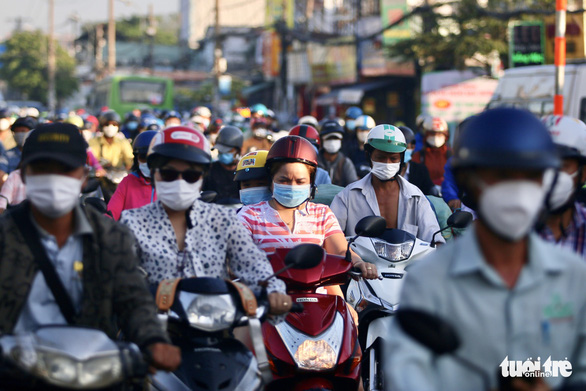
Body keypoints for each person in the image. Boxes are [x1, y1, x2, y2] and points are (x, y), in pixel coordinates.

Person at [385, 108, 586, 391]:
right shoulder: (428, 282)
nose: (516, 188)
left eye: (529, 175)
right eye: (501, 174)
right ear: (469, 180)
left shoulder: (573, 275)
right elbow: (408, 378)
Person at [0, 122, 180, 373]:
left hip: (93, 368)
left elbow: (134, 301)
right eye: (43, 169)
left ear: (82, 176)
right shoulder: (4, 235)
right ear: (25, 175)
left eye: (65, 169)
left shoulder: (109, 237)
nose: (54, 178)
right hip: (17, 370)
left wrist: (154, 341)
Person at [120, 126, 291, 316]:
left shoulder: (223, 221)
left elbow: (254, 265)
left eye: (190, 175)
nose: (179, 182)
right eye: (169, 174)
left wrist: (274, 291)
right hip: (153, 328)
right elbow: (119, 278)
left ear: (202, 179)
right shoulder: (132, 223)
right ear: (153, 175)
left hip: (215, 325)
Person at [238, 135, 377, 280]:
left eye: (300, 181)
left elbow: (341, 250)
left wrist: (359, 262)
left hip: (316, 297)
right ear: (271, 180)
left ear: (311, 182)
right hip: (270, 296)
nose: (292, 186)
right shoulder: (250, 215)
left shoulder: (322, 214)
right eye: (283, 180)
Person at [331, 124, 443, 243]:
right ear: (368, 156)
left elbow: (435, 239)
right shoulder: (348, 196)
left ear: (401, 159)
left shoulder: (416, 197)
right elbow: (331, 237)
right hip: (361, 260)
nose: (387, 163)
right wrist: (356, 260)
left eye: (393, 158)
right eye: (380, 157)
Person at [538, 115, 586, 258]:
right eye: (541, 164)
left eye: (562, 166)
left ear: (583, 174)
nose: (549, 175)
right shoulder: (503, 232)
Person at [107, 130, 158, 220]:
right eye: (143, 157)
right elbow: (112, 213)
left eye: (153, 158)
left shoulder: (172, 184)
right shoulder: (128, 182)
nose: (148, 163)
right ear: (136, 159)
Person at [202, 125, 244, 203]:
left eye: (227, 151)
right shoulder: (209, 170)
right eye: (220, 151)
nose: (222, 154)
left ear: (238, 151)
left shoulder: (244, 172)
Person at [411, 116, 451, 188]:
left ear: (446, 135)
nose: (435, 137)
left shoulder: (451, 155)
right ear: (426, 134)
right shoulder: (418, 156)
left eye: (439, 134)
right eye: (432, 133)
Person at [317, 120, 358, 187]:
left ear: (341, 141)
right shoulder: (315, 162)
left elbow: (353, 187)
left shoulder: (345, 163)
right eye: (329, 138)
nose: (332, 142)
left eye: (336, 138)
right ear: (322, 140)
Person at [398, 125, 436, 196]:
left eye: (404, 145)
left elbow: (431, 195)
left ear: (413, 146)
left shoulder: (421, 171)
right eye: (397, 146)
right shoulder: (388, 169)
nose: (400, 150)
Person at [0, 116, 35, 188]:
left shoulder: (40, 153)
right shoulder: (7, 155)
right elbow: (1, 176)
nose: (19, 134)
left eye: (23, 131)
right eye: (17, 132)